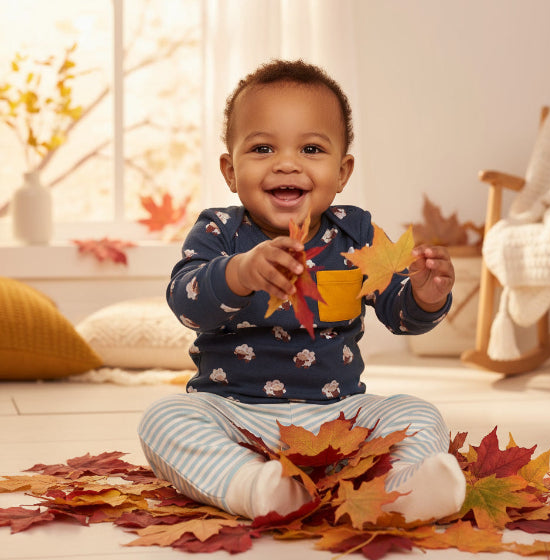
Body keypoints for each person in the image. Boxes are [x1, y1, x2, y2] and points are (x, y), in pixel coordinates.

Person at [138, 59, 466, 522]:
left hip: (340, 417)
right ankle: (254, 486)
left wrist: (426, 295)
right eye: (263, 148)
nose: (286, 163)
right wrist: (240, 273)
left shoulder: (356, 233)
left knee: (418, 412)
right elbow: (186, 301)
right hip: (236, 415)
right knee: (163, 419)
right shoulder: (220, 230)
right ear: (230, 171)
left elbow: (399, 314)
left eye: (311, 148)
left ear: (343, 171)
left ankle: (404, 486)